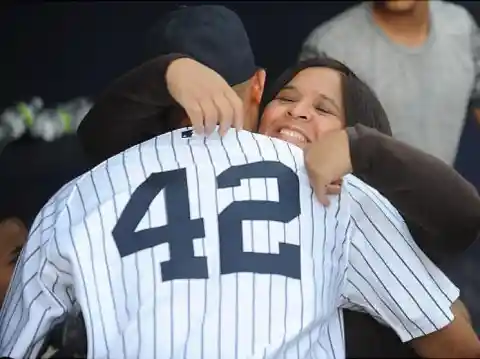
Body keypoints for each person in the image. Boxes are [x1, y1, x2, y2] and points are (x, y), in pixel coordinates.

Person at [2, 51, 480, 359]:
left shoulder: (349, 198)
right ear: (258, 103)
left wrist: (361, 150)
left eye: (325, 109)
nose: (297, 110)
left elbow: (460, 227)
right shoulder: (152, 176)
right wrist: (169, 72)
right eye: (286, 97)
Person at [299, 0, 480, 166]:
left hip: (436, 196)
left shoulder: (461, 26)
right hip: (357, 198)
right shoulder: (331, 47)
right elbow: (304, 145)